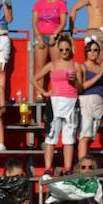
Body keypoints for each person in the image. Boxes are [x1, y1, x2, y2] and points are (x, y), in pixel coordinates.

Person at [33, 35, 83, 180]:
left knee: (69, 137)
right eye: (61, 49)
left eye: (67, 49)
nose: (64, 52)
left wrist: (74, 82)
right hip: (55, 102)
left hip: (71, 102)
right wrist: (44, 92)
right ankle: (48, 168)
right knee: (51, 136)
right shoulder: (51, 65)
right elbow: (34, 79)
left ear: (71, 50)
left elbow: (80, 87)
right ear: (58, 50)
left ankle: (67, 169)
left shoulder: (76, 66)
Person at [78, 39, 103, 157]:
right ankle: (81, 168)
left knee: (91, 137)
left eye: (95, 50)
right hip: (86, 100)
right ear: (86, 52)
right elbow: (81, 86)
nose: (92, 52)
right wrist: (98, 76)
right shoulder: (82, 66)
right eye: (90, 50)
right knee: (85, 136)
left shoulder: (101, 67)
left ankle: (84, 164)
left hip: (98, 102)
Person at [32, 0, 68, 90]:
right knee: (40, 67)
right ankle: (40, 94)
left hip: (55, 38)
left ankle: (59, 90)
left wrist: (55, 34)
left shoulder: (61, 3)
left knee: (57, 66)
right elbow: (34, 22)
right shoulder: (38, 4)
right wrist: (39, 37)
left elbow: (63, 23)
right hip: (41, 36)